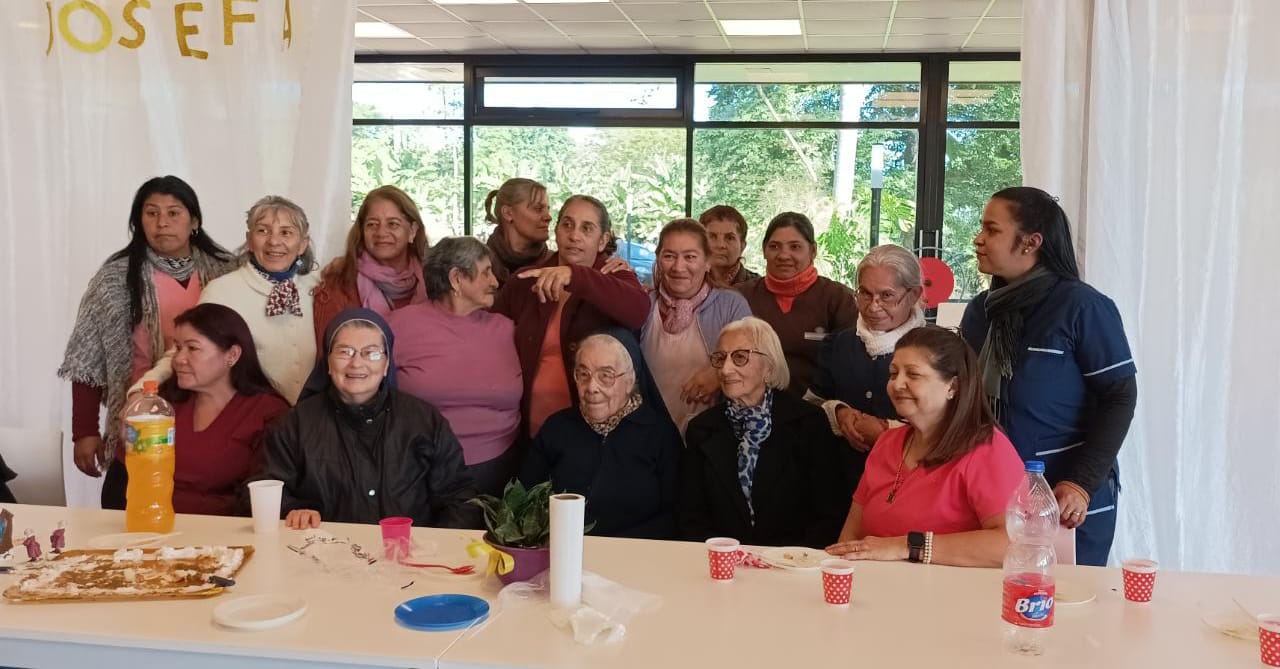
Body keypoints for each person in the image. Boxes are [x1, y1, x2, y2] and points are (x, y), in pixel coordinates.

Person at [960, 187, 1137, 567]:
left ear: (1031, 242)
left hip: (1065, 499)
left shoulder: (1083, 307)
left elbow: (1119, 396)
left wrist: (1081, 483)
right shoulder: (980, 312)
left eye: (991, 229)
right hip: (994, 498)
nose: (978, 239)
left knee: (1064, 612)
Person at [59, 176, 237, 486]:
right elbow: (85, 360)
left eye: (173, 213)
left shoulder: (227, 272)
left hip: (214, 417)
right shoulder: (115, 278)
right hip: (142, 418)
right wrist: (84, 431)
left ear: (193, 220)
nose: (162, 223)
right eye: (151, 213)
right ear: (138, 221)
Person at [258, 309, 479, 529]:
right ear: (327, 361)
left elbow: (459, 496)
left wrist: (435, 550)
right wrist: (292, 510)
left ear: (386, 365)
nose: (356, 364)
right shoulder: (294, 424)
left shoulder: (425, 421)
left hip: (409, 555)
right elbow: (262, 487)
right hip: (320, 554)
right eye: (345, 352)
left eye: (371, 353)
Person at [825, 326, 1025, 568]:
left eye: (913, 374)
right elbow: (849, 540)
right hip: (875, 593)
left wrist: (907, 546)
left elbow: (1014, 545)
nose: (897, 384)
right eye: (893, 373)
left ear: (952, 386)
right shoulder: (887, 443)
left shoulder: (987, 448)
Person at [680, 317, 856, 548]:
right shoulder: (701, 429)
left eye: (740, 357)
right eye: (720, 358)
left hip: (793, 563)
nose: (725, 369)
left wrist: (789, 561)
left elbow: (829, 513)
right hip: (721, 563)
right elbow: (691, 516)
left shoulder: (808, 423)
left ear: (768, 367)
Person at [101, 304, 288, 513]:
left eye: (193, 348)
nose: (179, 359)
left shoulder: (267, 412)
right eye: (178, 348)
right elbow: (120, 483)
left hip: (225, 537)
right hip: (151, 529)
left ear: (232, 355)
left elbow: (263, 498)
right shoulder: (161, 405)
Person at [131, 195, 319, 404]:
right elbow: (186, 348)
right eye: (262, 231)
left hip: (311, 424)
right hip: (253, 420)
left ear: (302, 244)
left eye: (286, 232)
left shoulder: (320, 287)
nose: (274, 241)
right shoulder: (224, 291)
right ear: (249, 240)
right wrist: (143, 389)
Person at [493, 194, 650, 438]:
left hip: (595, 435)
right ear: (556, 230)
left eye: (587, 228)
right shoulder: (525, 280)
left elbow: (638, 311)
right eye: (567, 224)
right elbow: (490, 339)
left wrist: (575, 276)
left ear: (602, 240)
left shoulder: (615, 276)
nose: (574, 235)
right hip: (527, 431)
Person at [389, 237, 522, 497]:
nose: (495, 282)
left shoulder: (506, 328)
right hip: (421, 471)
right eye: (486, 273)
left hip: (502, 472)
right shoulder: (398, 326)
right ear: (456, 279)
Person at [520, 331, 681, 539]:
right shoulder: (557, 427)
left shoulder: (659, 433)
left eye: (606, 376)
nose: (591, 387)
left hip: (638, 554)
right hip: (561, 549)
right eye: (583, 374)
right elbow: (524, 498)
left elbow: (676, 514)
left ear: (630, 380)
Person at [808, 244, 926, 454]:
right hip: (843, 473)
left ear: (914, 294)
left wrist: (888, 432)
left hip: (910, 475)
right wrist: (838, 412)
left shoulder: (937, 349)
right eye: (865, 293)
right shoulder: (838, 344)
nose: (873, 306)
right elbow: (813, 402)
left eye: (887, 296)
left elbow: (951, 425)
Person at [641, 219, 752, 434]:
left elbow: (754, 360)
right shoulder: (644, 304)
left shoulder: (731, 305)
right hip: (650, 437)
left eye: (690, 257)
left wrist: (719, 373)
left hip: (711, 437)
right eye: (669, 256)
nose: (678, 267)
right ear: (658, 259)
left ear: (708, 262)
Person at [737, 212, 859, 395]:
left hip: (817, 411)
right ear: (764, 250)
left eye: (795, 247)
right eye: (775, 246)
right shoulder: (740, 296)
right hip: (750, 408)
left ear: (813, 251)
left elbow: (849, 368)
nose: (784, 255)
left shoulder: (838, 298)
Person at [312, 185, 429, 351]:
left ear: (412, 231)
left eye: (393, 224)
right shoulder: (338, 282)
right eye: (372, 224)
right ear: (361, 231)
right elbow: (328, 356)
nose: (381, 232)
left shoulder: (436, 282)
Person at [483, 178, 553, 286]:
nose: (548, 217)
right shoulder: (477, 264)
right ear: (508, 213)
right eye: (538, 209)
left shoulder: (555, 265)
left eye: (547, 209)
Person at [699, 205, 760, 286]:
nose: (720, 245)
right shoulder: (686, 282)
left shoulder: (758, 288)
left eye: (730, 238)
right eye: (712, 237)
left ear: (742, 246)